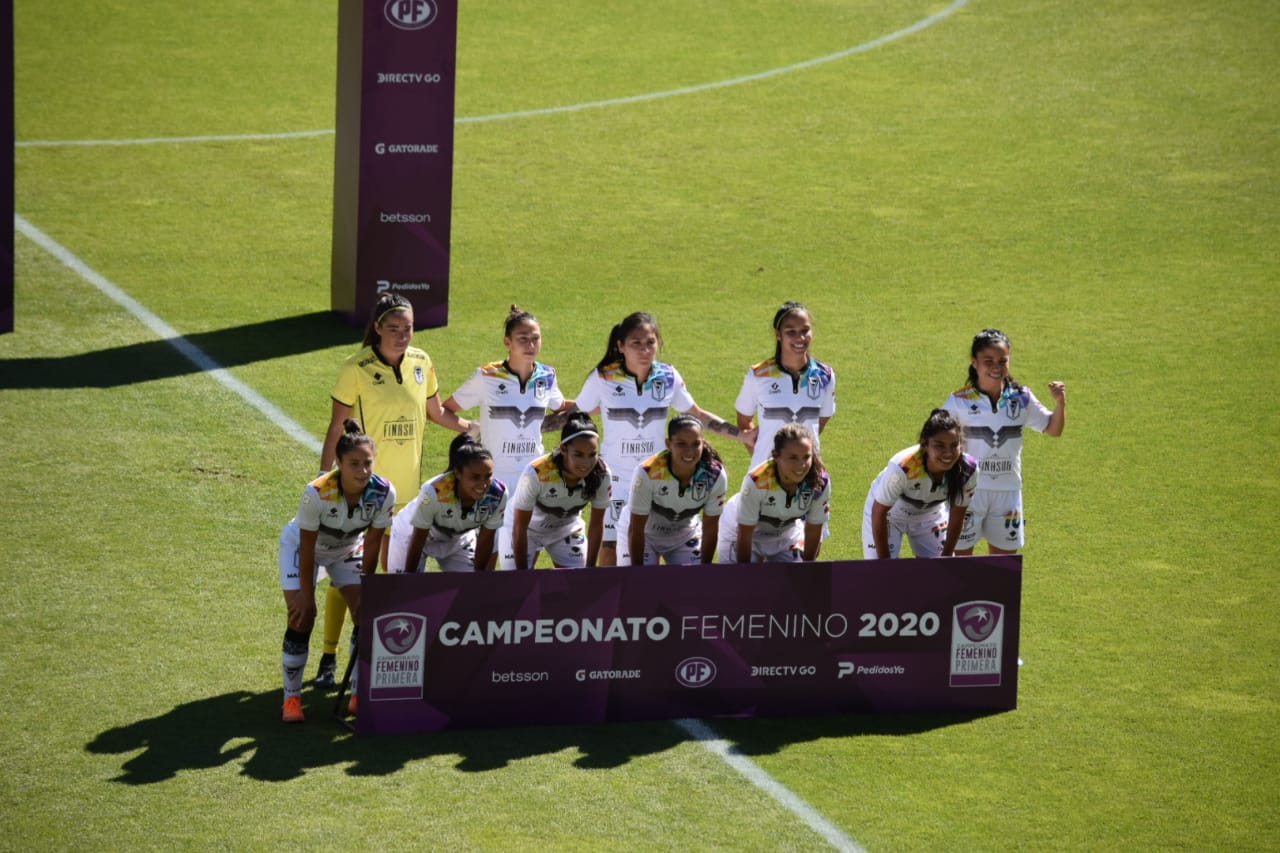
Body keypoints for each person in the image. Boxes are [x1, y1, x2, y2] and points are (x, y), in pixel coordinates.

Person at [312, 293, 476, 688]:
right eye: (394, 328)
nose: (402, 335)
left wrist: (472, 428)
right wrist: (321, 479)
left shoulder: (422, 362)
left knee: (389, 579)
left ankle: (371, 656)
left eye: (408, 328)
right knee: (346, 575)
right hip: (367, 493)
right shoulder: (356, 368)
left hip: (409, 497)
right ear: (377, 328)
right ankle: (329, 657)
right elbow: (338, 427)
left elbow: (435, 413)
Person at [574, 312, 753, 566]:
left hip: (656, 477)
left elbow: (697, 415)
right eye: (636, 343)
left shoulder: (668, 377)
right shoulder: (603, 377)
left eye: (650, 343)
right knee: (611, 544)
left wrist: (741, 434)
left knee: (651, 540)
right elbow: (576, 413)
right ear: (620, 346)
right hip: (616, 480)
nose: (644, 350)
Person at [441, 305, 574, 570]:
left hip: (533, 480)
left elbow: (560, 406)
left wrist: (600, 401)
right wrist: (470, 428)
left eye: (535, 338)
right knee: (487, 557)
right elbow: (446, 410)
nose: (530, 344)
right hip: (492, 480)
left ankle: (515, 610)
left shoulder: (546, 376)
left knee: (524, 555)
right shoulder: (487, 376)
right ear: (507, 342)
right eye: (522, 338)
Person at [278, 419, 394, 723]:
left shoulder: (384, 493)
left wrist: (367, 584)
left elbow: (372, 542)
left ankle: (357, 693)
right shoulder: (316, 492)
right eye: (354, 463)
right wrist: (305, 594)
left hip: (347, 549)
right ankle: (291, 698)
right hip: (304, 549)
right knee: (302, 616)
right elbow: (307, 547)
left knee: (364, 611)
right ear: (338, 463)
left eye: (367, 463)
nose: (362, 470)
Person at [941, 328, 1066, 555]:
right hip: (968, 493)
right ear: (974, 362)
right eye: (988, 361)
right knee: (960, 563)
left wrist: (1060, 403)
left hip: (1008, 493)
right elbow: (936, 439)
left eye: (1002, 360)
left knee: (1003, 568)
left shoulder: (1022, 397)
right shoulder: (959, 401)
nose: (996, 367)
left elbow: (1053, 429)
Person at [862, 409, 979, 559]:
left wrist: (947, 558)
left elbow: (957, 515)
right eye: (939, 446)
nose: (948, 453)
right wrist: (885, 565)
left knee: (940, 576)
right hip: (890, 514)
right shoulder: (904, 467)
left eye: (954, 445)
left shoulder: (967, 470)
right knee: (880, 577)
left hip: (931, 514)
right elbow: (879, 512)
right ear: (925, 445)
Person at [735, 301, 837, 470]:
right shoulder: (759, 375)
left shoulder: (825, 375)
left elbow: (821, 420)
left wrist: (799, 454)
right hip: (764, 476)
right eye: (791, 332)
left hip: (808, 474)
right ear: (778, 334)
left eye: (805, 330)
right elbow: (744, 420)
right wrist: (761, 454)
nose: (800, 338)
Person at [387, 434, 508, 573]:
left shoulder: (498, 494)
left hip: (458, 538)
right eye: (475, 477)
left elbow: (486, 540)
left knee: (470, 589)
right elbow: (418, 538)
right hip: (411, 534)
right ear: (457, 473)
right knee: (405, 589)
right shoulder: (432, 492)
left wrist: (477, 580)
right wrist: (408, 580)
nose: (483, 484)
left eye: (488, 476)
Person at [509, 412, 611, 570]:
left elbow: (597, 524)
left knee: (578, 584)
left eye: (592, 454)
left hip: (567, 529)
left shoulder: (602, 474)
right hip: (526, 529)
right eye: (578, 455)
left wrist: (590, 570)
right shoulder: (536, 473)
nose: (586, 463)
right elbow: (520, 527)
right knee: (516, 585)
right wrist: (522, 575)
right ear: (564, 449)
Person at [624, 414, 728, 566]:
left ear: (703, 444)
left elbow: (711, 527)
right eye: (681, 444)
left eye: (695, 444)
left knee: (693, 585)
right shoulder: (648, 472)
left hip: (685, 536)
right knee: (643, 585)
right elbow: (636, 528)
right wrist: (638, 573)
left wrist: (704, 571)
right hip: (644, 535)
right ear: (668, 444)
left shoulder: (714, 475)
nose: (689, 451)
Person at [718, 423, 830, 563]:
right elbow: (744, 534)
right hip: (740, 533)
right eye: (793, 458)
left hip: (786, 534)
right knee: (742, 582)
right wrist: (744, 577)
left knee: (796, 582)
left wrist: (806, 572)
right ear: (776, 455)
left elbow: (814, 529)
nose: (801, 465)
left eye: (806, 457)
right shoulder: (757, 482)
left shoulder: (819, 482)